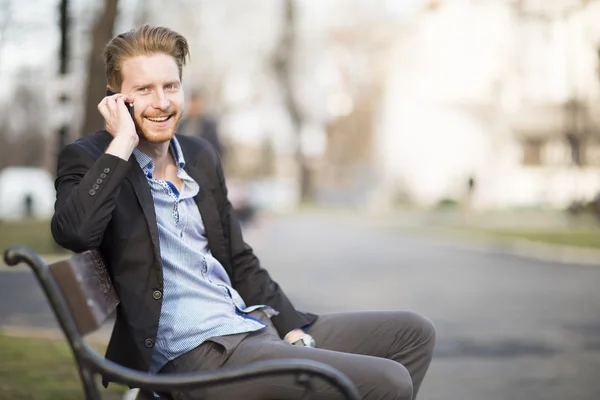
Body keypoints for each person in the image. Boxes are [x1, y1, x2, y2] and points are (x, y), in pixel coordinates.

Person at [51, 25, 435, 400]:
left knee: (412, 334)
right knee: (389, 381)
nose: (162, 102)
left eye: (170, 86)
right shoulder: (91, 159)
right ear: (116, 98)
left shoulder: (199, 156)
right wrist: (120, 144)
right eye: (144, 89)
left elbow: (238, 258)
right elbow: (74, 233)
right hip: (197, 355)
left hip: (248, 325)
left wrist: (289, 326)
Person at [178, 90, 225, 159]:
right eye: (192, 103)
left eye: (196, 103)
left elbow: (216, 148)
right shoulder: (182, 124)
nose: (194, 107)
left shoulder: (209, 125)